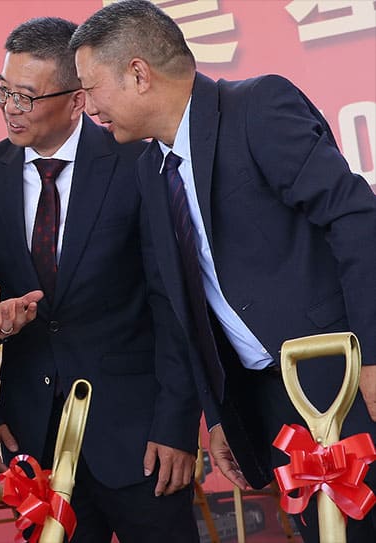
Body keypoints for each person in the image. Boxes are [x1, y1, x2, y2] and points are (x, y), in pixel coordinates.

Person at [71, 1, 376, 540]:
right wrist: (218, 414)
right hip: (274, 401)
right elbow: (184, 301)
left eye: (91, 89)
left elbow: (355, 219)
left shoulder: (256, 107)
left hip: (346, 380)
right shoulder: (151, 168)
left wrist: (374, 356)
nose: (87, 106)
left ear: (138, 74)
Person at [0, 17, 200, 542]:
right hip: (32, 439)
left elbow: (172, 301)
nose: (9, 107)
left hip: (140, 439)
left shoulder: (138, 160)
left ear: (77, 100)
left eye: (25, 96)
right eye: (2, 90)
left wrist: (176, 424)